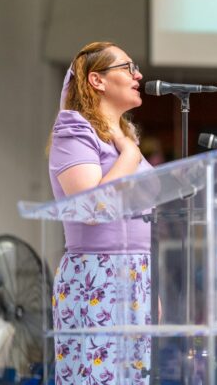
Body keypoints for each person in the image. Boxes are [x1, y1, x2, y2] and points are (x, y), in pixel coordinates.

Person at [47, 41, 152, 384]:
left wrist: (153, 284)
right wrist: (130, 155)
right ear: (97, 80)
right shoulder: (74, 130)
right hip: (97, 275)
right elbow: (92, 207)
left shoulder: (121, 140)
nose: (138, 75)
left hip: (138, 275)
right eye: (127, 67)